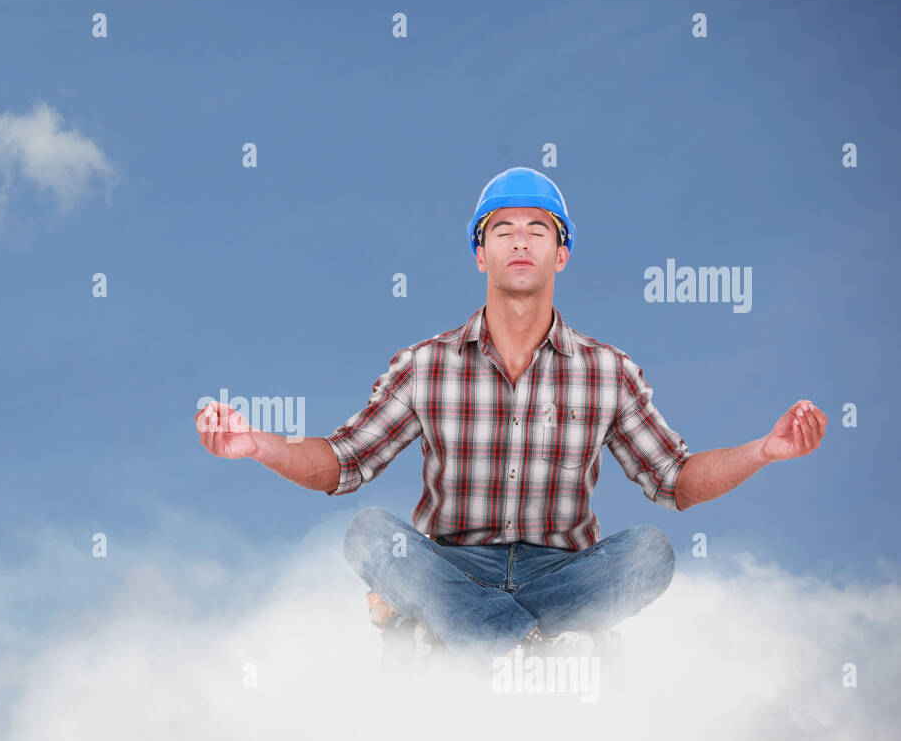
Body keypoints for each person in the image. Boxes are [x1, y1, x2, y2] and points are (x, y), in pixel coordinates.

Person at [193, 167, 826, 670]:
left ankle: (451, 627)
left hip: (565, 570)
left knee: (649, 554)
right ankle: (526, 640)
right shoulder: (425, 364)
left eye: (538, 229)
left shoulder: (609, 371)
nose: (520, 240)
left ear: (561, 255)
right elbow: (343, 463)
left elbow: (675, 482)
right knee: (367, 534)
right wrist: (258, 445)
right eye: (502, 230)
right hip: (452, 563)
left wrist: (764, 451)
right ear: (480, 255)